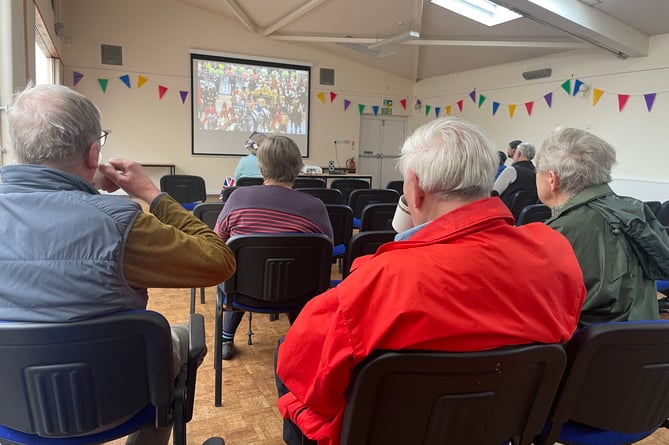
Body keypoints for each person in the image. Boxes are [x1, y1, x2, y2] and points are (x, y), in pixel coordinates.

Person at [275, 117, 587, 445]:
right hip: (495, 431)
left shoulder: (375, 282)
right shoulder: (555, 253)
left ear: (416, 190)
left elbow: (304, 377)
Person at [0, 83, 237, 445]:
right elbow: (219, 260)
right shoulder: (120, 221)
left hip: (12, 406)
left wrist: (83, 185)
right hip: (117, 402)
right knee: (182, 338)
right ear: (94, 153)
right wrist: (151, 194)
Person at [214, 135, 333, 360]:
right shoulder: (315, 207)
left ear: (261, 166)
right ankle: (301, 340)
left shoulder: (238, 197)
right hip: (300, 293)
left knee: (237, 272)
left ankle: (226, 338)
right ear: (298, 166)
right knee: (299, 276)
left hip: (241, 292)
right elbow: (327, 251)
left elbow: (216, 242)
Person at [536, 127, 669, 326]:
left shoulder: (557, 232)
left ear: (552, 179)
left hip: (585, 349)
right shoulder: (636, 209)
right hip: (644, 340)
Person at [493, 141, 537, 207]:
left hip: (506, 212)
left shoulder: (511, 171)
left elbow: (494, 192)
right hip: (527, 214)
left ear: (519, 154)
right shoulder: (536, 172)